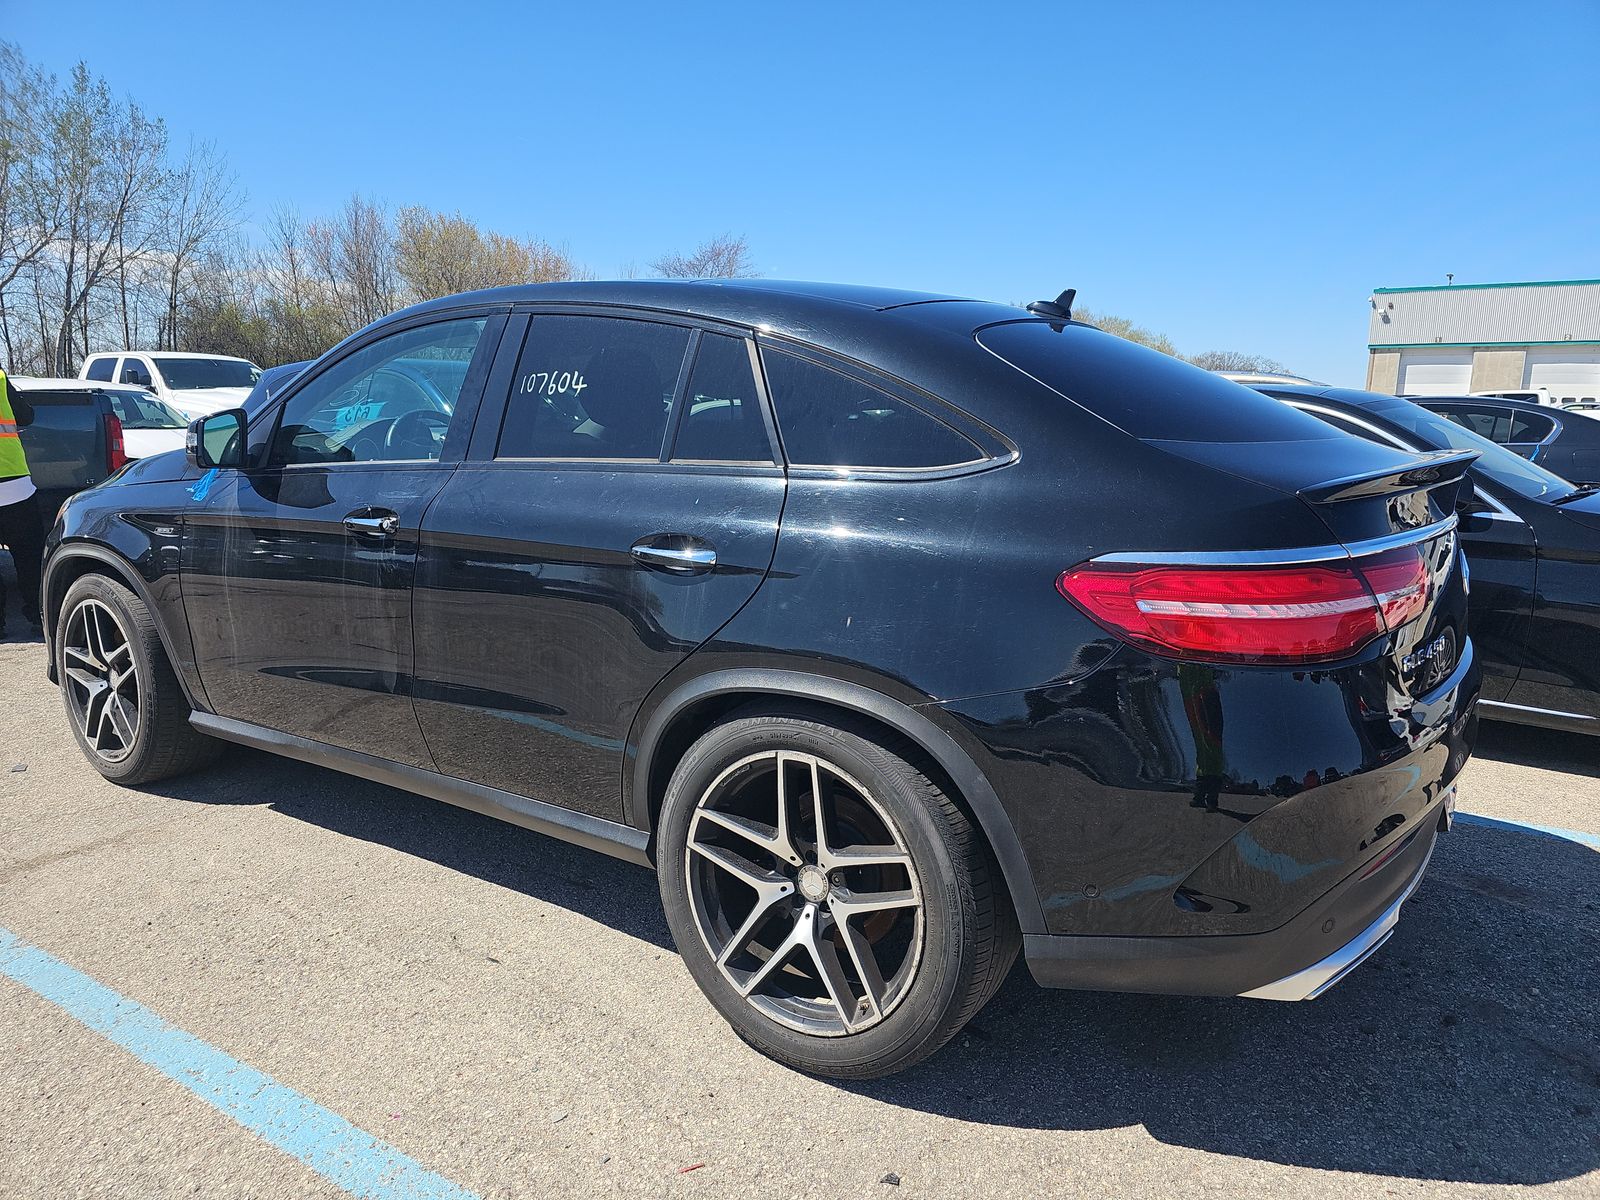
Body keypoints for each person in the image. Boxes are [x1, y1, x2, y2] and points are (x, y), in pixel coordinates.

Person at [0, 367, 44, 638]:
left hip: (15, 483)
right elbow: (26, 415)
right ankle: (40, 616)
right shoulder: (0, 377)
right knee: (28, 555)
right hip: (15, 484)